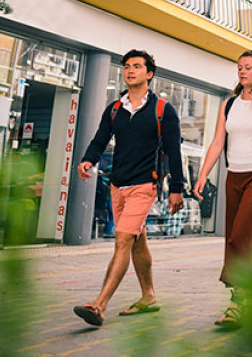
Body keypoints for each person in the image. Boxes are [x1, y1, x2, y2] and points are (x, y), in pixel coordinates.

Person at [73, 49, 184, 326]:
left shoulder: (162, 110)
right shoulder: (114, 109)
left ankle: (99, 305)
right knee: (136, 239)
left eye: (136, 66)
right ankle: (148, 295)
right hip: (117, 185)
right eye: (126, 67)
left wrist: (177, 188)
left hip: (144, 185)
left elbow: (174, 151)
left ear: (149, 74)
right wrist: (88, 159)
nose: (130, 70)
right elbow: (100, 139)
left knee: (122, 240)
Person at [194, 49, 252, 330]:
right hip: (234, 176)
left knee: (241, 234)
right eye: (239, 67)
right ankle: (249, 295)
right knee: (233, 237)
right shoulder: (228, 104)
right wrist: (203, 173)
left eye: (248, 67)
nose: (242, 71)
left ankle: (238, 300)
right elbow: (218, 141)